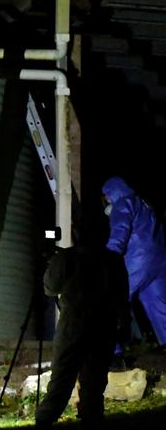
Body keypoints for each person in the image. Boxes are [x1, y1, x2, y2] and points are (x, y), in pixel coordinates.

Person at [35, 231, 130, 430]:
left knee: (62, 375)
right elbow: (122, 296)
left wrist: (51, 265)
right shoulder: (113, 260)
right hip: (104, 325)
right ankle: (91, 417)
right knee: (95, 380)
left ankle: (45, 418)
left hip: (73, 324)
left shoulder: (67, 257)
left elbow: (50, 288)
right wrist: (123, 325)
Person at [102, 176, 166, 354]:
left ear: (111, 193)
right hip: (159, 261)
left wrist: (109, 257)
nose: (107, 200)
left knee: (113, 299)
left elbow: (120, 232)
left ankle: (112, 350)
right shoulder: (144, 204)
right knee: (159, 304)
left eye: (106, 196)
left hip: (138, 259)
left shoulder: (123, 204)